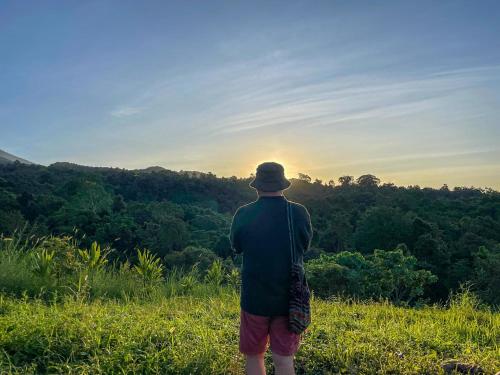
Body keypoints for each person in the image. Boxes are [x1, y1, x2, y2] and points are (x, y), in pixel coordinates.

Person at [230, 162, 313, 375]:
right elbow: (304, 247)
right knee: (284, 360)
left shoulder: (244, 213)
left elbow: (237, 247)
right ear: (283, 185)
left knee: (254, 356)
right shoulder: (298, 212)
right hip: (288, 299)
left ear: (257, 186)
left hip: (254, 297)